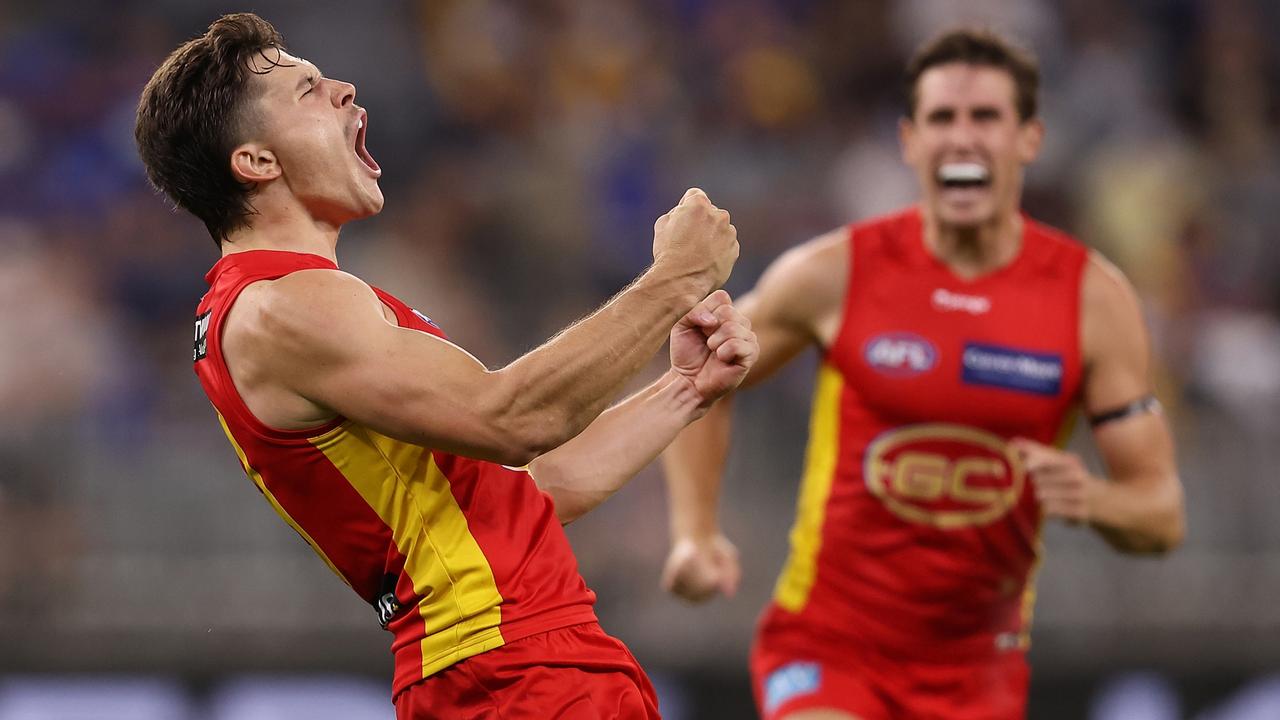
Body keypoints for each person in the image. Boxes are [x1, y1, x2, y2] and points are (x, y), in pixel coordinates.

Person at [135, 13, 757, 719]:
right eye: (307, 90)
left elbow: (527, 489)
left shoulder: (285, 304)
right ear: (256, 162)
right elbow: (515, 417)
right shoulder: (286, 305)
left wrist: (684, 389)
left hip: (510, 668)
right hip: (514, 672)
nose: (344, 89)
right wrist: (675, 278)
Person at [660, 27, 1186, 720]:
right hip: (829, 649)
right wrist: (695, 532)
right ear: (910, 141)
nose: (962, 139)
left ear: (1029, 139)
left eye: (986, 117)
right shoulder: (835, 273)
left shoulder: (1093, 300)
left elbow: (1162, 513)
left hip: (980, 672)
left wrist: (1092, 498)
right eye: (942, 118)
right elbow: (702, 370)